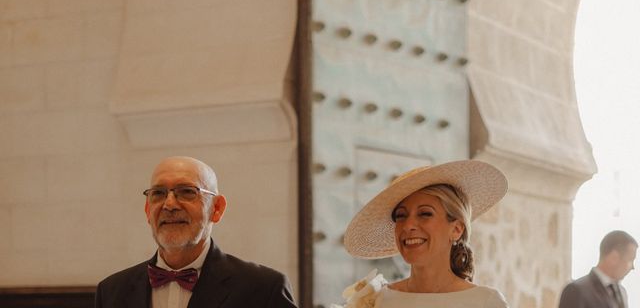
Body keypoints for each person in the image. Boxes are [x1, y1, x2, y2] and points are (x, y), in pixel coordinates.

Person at [95, 156, 297, 308]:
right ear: (148, 210)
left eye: (187, 191)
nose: (170, 204)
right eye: (158, 193)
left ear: (216, 208)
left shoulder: (264, 289)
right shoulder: (111, 292)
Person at [332, 159, 510, 308]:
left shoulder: (485, 302)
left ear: (457, 229)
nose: (408, 225)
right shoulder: (377, 300)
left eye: (425, 213)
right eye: (401, 216)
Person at [558, 230, 637, 308]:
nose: (632, 267)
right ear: (614, 257)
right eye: (630, 260)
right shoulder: (576, 291)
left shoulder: (622, 292)